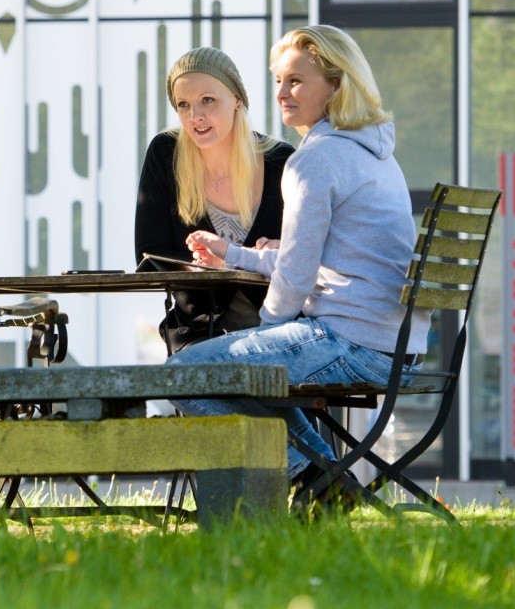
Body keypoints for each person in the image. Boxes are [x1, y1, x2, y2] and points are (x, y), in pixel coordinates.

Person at [168, 25, 421, 489]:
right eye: (279, 80)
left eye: (297, 81)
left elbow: (297, 275)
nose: (282, 92)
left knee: (186, 373)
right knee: (236, 371)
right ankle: (323, 480)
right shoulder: (376, 153)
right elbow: (318, 257)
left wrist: (266, 332)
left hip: (351, 340)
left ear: (336, 84)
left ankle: (316, 476)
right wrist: (235, 255)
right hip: (396, 345)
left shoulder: (314, 160)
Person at [134, 47, 295, 355]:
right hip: (198, 330)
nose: (196, 116)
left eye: (208, 100)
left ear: (237, 99)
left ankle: (297, 406)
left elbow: (307, 255)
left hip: (279, 330)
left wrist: (271, 250)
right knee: (196, 383)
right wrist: (200, 267)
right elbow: (149, 255)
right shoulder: (165, 154)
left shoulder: (281, 160)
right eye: (184, 105)